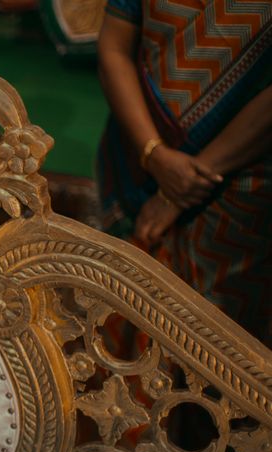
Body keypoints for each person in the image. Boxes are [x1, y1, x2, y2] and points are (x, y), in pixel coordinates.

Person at [96, 0, 271, 346]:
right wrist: (153, 154)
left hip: (241, 190)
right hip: (138, 156)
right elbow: (114, 47)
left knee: (216, 349)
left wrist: (188, 182)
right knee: (115, 317)